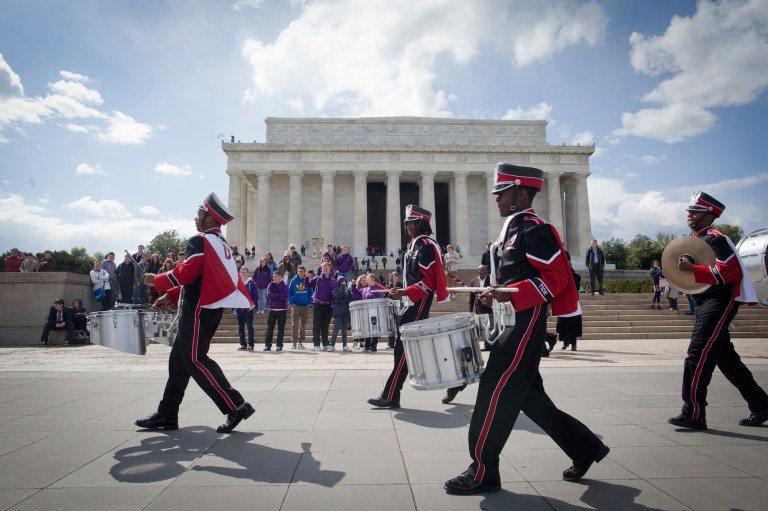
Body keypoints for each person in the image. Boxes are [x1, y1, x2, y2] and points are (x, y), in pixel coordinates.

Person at [444, 163, 608, 495]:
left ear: (521, 193)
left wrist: (513, 295)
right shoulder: (513, 229)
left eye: (501, 193)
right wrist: (495, 294)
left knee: (494, 391)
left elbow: (559, 277)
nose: (496, 199)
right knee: (529, 398)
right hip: (515, 318)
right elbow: (517, 278)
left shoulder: (535, 229)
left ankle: (482, 470)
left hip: (527, 323)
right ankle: (585, 448)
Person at [136, 192, 255, 433]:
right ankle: (167, 414)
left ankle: (236, 405)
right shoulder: (221, 245)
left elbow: (187, 273)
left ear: (209, 218)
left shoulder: (199, 241)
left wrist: (156, 281)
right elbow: (201, 277)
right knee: (179, 362)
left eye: (199, 213)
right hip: (208, 308)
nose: (195, 217)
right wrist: (169, 294)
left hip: (199, 309)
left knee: (194, 359)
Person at [667, 191, 768, 430]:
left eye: (696, 212)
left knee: (698, 353)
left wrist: (694, 269)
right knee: (726, 359)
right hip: (705, 301)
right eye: (689, 211)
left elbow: (730, 272)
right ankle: (761, 404)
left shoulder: (715, 239)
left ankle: (693, 412)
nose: (690, 215)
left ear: (709, 215)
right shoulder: (695, 240)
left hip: (719, 301)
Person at [367, 205, 448, 409]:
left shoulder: (427, 246)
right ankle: (393, 395)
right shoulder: (415, 246)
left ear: (421, 223)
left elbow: (429, 282)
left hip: (418, 303)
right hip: (409, 302)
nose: (408, 227)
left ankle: (390, 394)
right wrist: (402, 291)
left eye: (412, 223)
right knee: (401, 351)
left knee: (404, 350)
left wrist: (406, 292)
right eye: (407, 223)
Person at [307, 261, 336, 351]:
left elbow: (336, 293)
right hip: (318, 305)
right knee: (317, 325)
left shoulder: (333, 281)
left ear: (330, 269)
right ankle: (316, 344)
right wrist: (307, 277)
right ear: (321, 269)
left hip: (328, 306)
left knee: (325, 326)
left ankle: (325, 343)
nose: (325, 269)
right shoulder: (317, 278)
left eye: (327, 268)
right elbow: (307, 284)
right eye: (324, 268)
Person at [556, 252, 583, 351]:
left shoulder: (575, 277)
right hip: (565, 302)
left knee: (571, 324)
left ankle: (572, 344)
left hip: (571, 302)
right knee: (565, 324)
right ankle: (567, 342)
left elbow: (575, 288)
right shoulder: (561, 276)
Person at [469, 264, 494, 351]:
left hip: (489, 308)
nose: (484, 272)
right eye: (482, 270)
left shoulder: (492, 280)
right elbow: (471, 297)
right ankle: (486, 344)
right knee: (482, 328)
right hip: (479, 308)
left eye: (485, 270)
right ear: (478, 271)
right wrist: (470, 310)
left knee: (490, 327)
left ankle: (490, 344)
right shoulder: (473, 282)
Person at [264, 270, 288, 352]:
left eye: (276, 276)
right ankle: (267, 346)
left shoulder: (285, 285)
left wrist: (275, 296)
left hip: (282, 310)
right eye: (273, 276)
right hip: (272, 309)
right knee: (269, 329)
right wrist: (279, 294)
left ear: (280, 277)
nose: (274, 278)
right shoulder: (270, 285)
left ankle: (279, 345)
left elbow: (284, 297)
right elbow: (269, 295)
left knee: (281, 329)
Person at [288, 266, 311, 349]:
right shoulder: (293, 281)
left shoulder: (307, 280)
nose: (300, 273)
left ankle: (300, 341)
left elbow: (310, 292)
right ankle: (294, 342)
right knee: (295, 324)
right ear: (297, 272)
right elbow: (289, 292)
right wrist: (291, 302)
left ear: (304, 272)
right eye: (299, 271)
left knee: (303, 325)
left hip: (305, 306)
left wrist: (309, 301)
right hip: (296, 305)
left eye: (302, 271)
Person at [330, 275, 354, 352]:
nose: (343, 283)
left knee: (344, 330)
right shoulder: (335, 290)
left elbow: (350, 299)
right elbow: (339, 296)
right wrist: (342, 286)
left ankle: (345, 345)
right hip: (338, 313)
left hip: (346, 313)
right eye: (341, 281)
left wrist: (340, 301)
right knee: (336, 329)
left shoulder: (348, 291)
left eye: (344, 281)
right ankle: (332, 345)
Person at [237, 267, 258, 351]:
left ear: (248, 273)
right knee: (240, 327)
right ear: (239, 273)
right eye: (242, 272)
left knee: (249, 327)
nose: (243, 273)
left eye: (245, 272)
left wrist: (252, 305)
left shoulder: (252, 283)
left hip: (248, 309)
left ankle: (251, 345)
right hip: (239, 308)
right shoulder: (237, 283)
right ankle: (243, 344)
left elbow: (256, 296)